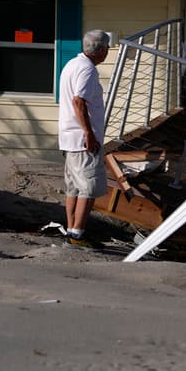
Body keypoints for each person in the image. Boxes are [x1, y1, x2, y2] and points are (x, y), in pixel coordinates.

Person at [57, 29, 111, 245]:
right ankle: (78, 234)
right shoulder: (87, 69)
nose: (107, 52)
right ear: (99, 50)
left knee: (74, 187)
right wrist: (89, 134)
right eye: (106, 48)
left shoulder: (72, 64)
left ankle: (71, 230)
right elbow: (79, 101)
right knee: (88, 187)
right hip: (82, 139)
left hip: (69, 137)